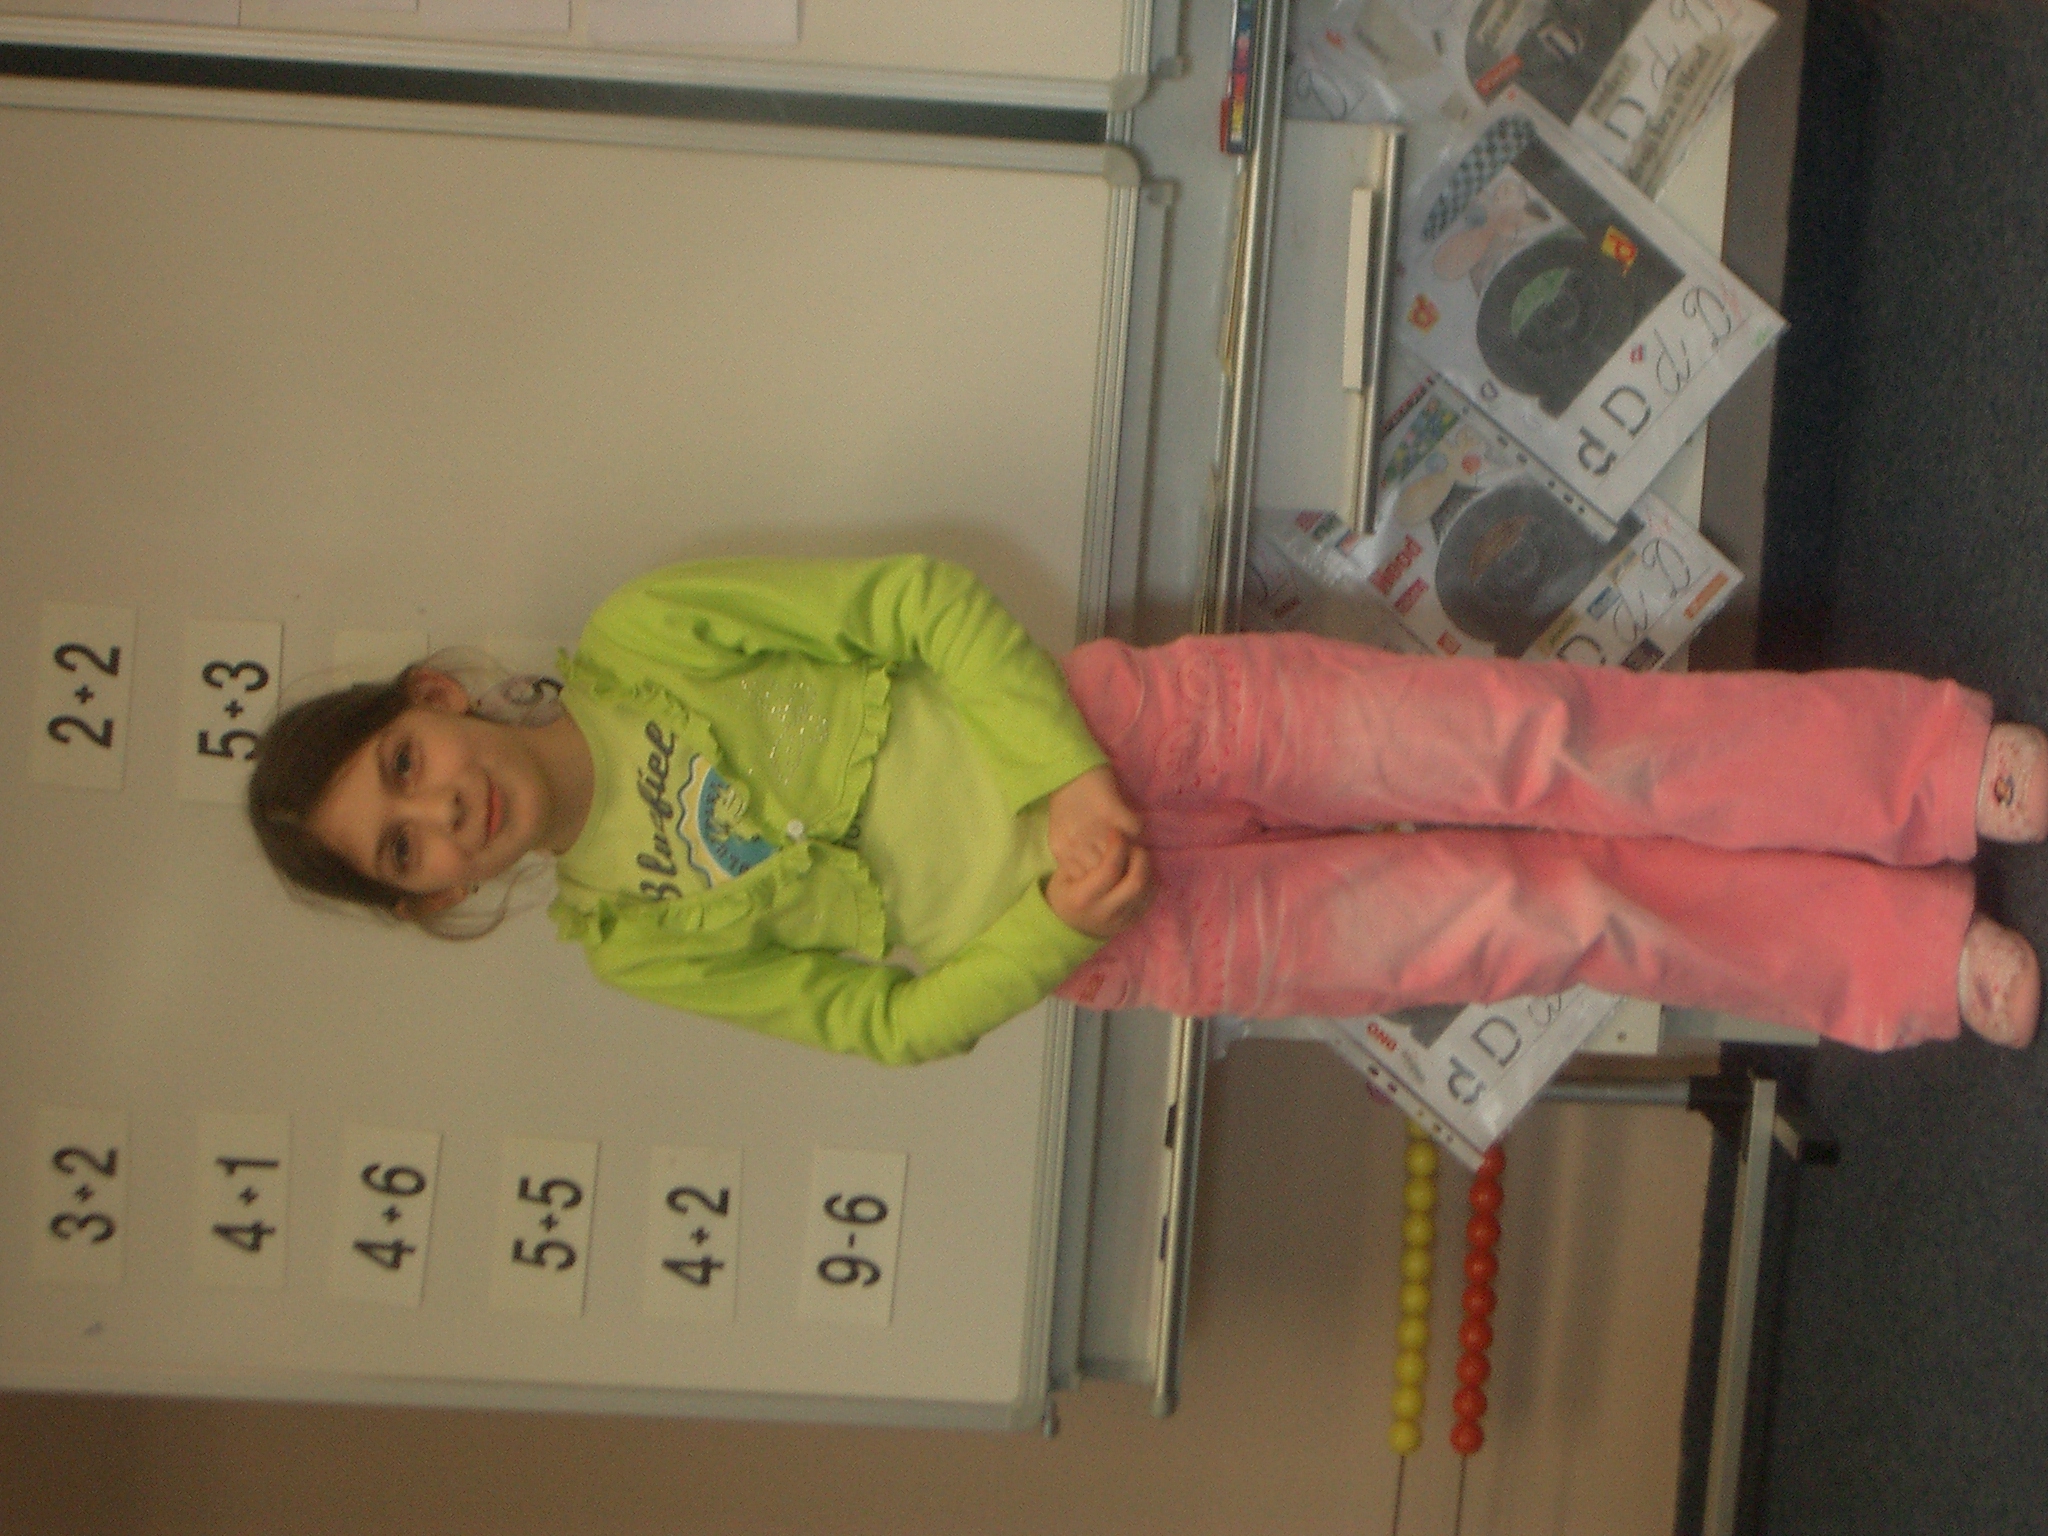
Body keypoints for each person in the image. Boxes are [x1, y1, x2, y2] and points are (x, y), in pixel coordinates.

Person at [247, 554, 2046, 1065]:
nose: (443, 816)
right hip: (1136, 934)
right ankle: (1897, 954)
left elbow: (911, 605)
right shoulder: (630, 943)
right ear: (430, 899)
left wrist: (1064, 782)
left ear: (433, 704)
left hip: (1143, 732)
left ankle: (1917, 771)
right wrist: (1056, 921)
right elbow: (880, 1025)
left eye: (406, 771)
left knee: (1542, 746)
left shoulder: (646, 633)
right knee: (1542, 917)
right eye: (405, 853)